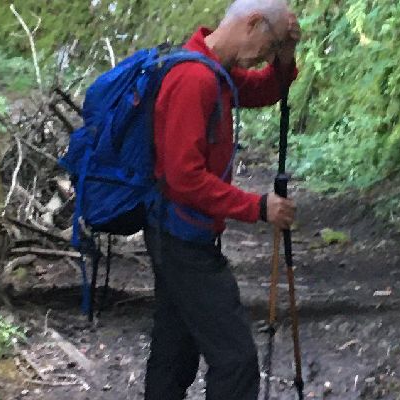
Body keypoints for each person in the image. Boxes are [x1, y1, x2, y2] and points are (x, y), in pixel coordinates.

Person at [143, 0, 301, 398]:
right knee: (235, 360)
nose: (264, 56)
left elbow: (267, 89)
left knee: (174, 353)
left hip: (175, 232)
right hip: (181, 238)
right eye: (269, 45)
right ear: (253, 24)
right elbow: (184, 178)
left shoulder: (214, 72)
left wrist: (286, 53)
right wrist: (257, 207)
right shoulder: (193, 79)